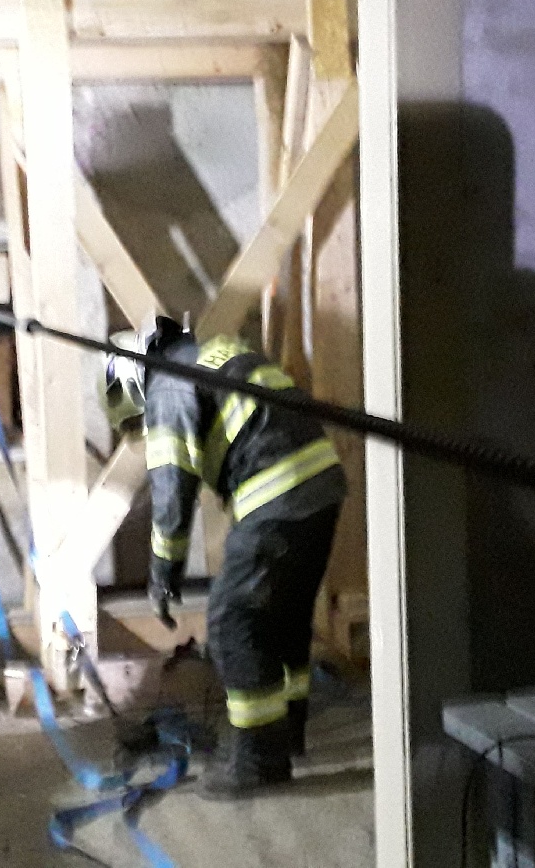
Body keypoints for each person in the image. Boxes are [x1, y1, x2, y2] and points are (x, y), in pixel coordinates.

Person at [101, 316, 346, 799]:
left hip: (274, 494)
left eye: (137, 422)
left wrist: (163, 576)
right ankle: (287, 734)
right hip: (321, 486)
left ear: (131, 387)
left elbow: (172, 497)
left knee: (233, 622)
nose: (145, 430)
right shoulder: (220, 353)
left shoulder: (167, 389)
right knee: (286, 620)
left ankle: (258, 759)